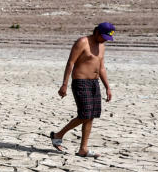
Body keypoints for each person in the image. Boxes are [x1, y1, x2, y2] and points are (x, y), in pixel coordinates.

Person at [49, 22, 114, 157]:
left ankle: (83, 149)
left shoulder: (102, 47)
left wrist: (107, 87)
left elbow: (101, 68)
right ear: (96, 32)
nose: (104, 41)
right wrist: (64, 84)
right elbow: (70, 62)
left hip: (94, 83)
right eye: (103, 37)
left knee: (91, 116)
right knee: (85, 114)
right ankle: (58, 135)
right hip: (80, 82)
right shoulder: (82, 42)